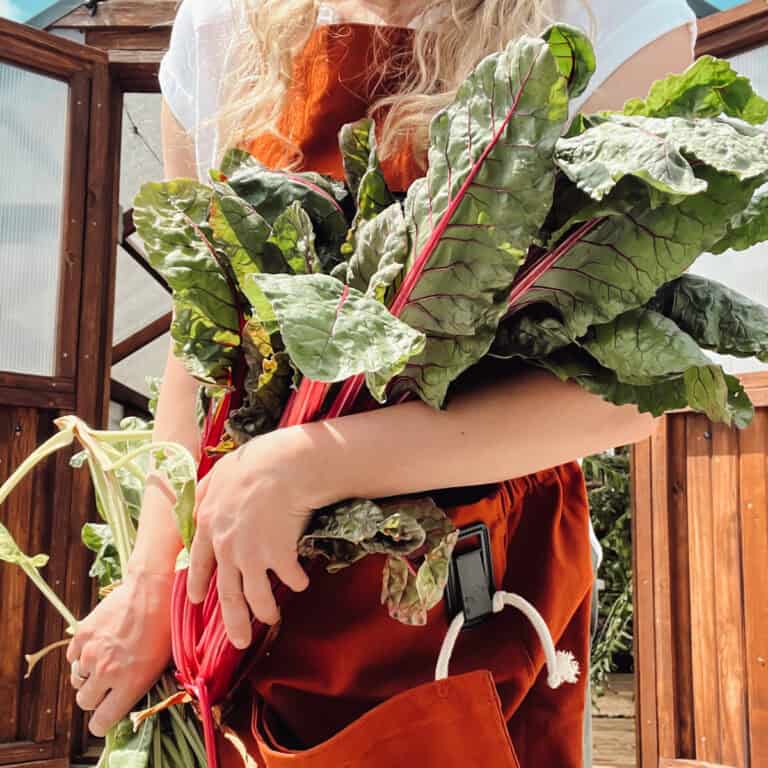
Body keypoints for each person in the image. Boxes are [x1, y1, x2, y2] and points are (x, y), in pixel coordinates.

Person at [66, 0, 697, 764]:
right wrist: (150, 579)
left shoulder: (618, 18)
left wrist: (307, 464)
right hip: (243, 590)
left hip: (476, 597)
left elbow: (623, 396)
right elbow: (201, 338)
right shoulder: (218, 25)